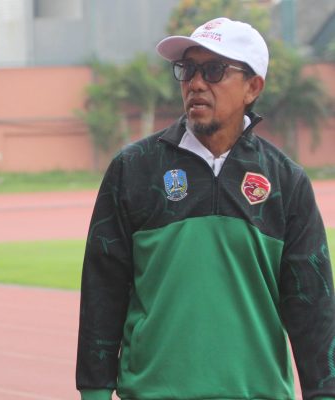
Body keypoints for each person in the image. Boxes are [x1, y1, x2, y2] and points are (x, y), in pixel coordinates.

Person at [76, 17, 335, 400]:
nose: (196, 83)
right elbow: (102, 290)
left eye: (214, 70)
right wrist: (94, 392)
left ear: (252, 87)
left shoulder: (285, 181)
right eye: (188, 69)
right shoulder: (134, 168)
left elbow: (313, 306)